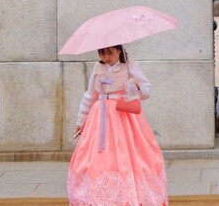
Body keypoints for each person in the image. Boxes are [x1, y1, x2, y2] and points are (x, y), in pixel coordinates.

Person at [67, 44, 167, 206]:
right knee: (98, 157)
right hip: (99, 118)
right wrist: (81, 121)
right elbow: (90, 95)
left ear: (119, 51)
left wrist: (136, 86)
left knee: (127, 155)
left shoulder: (130, 66)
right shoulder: (98, 67)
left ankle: (128, 195)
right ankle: (99, 196)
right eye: (102, 54)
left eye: (110, 53)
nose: (106, 58)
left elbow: (147, 91)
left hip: (123, 117)